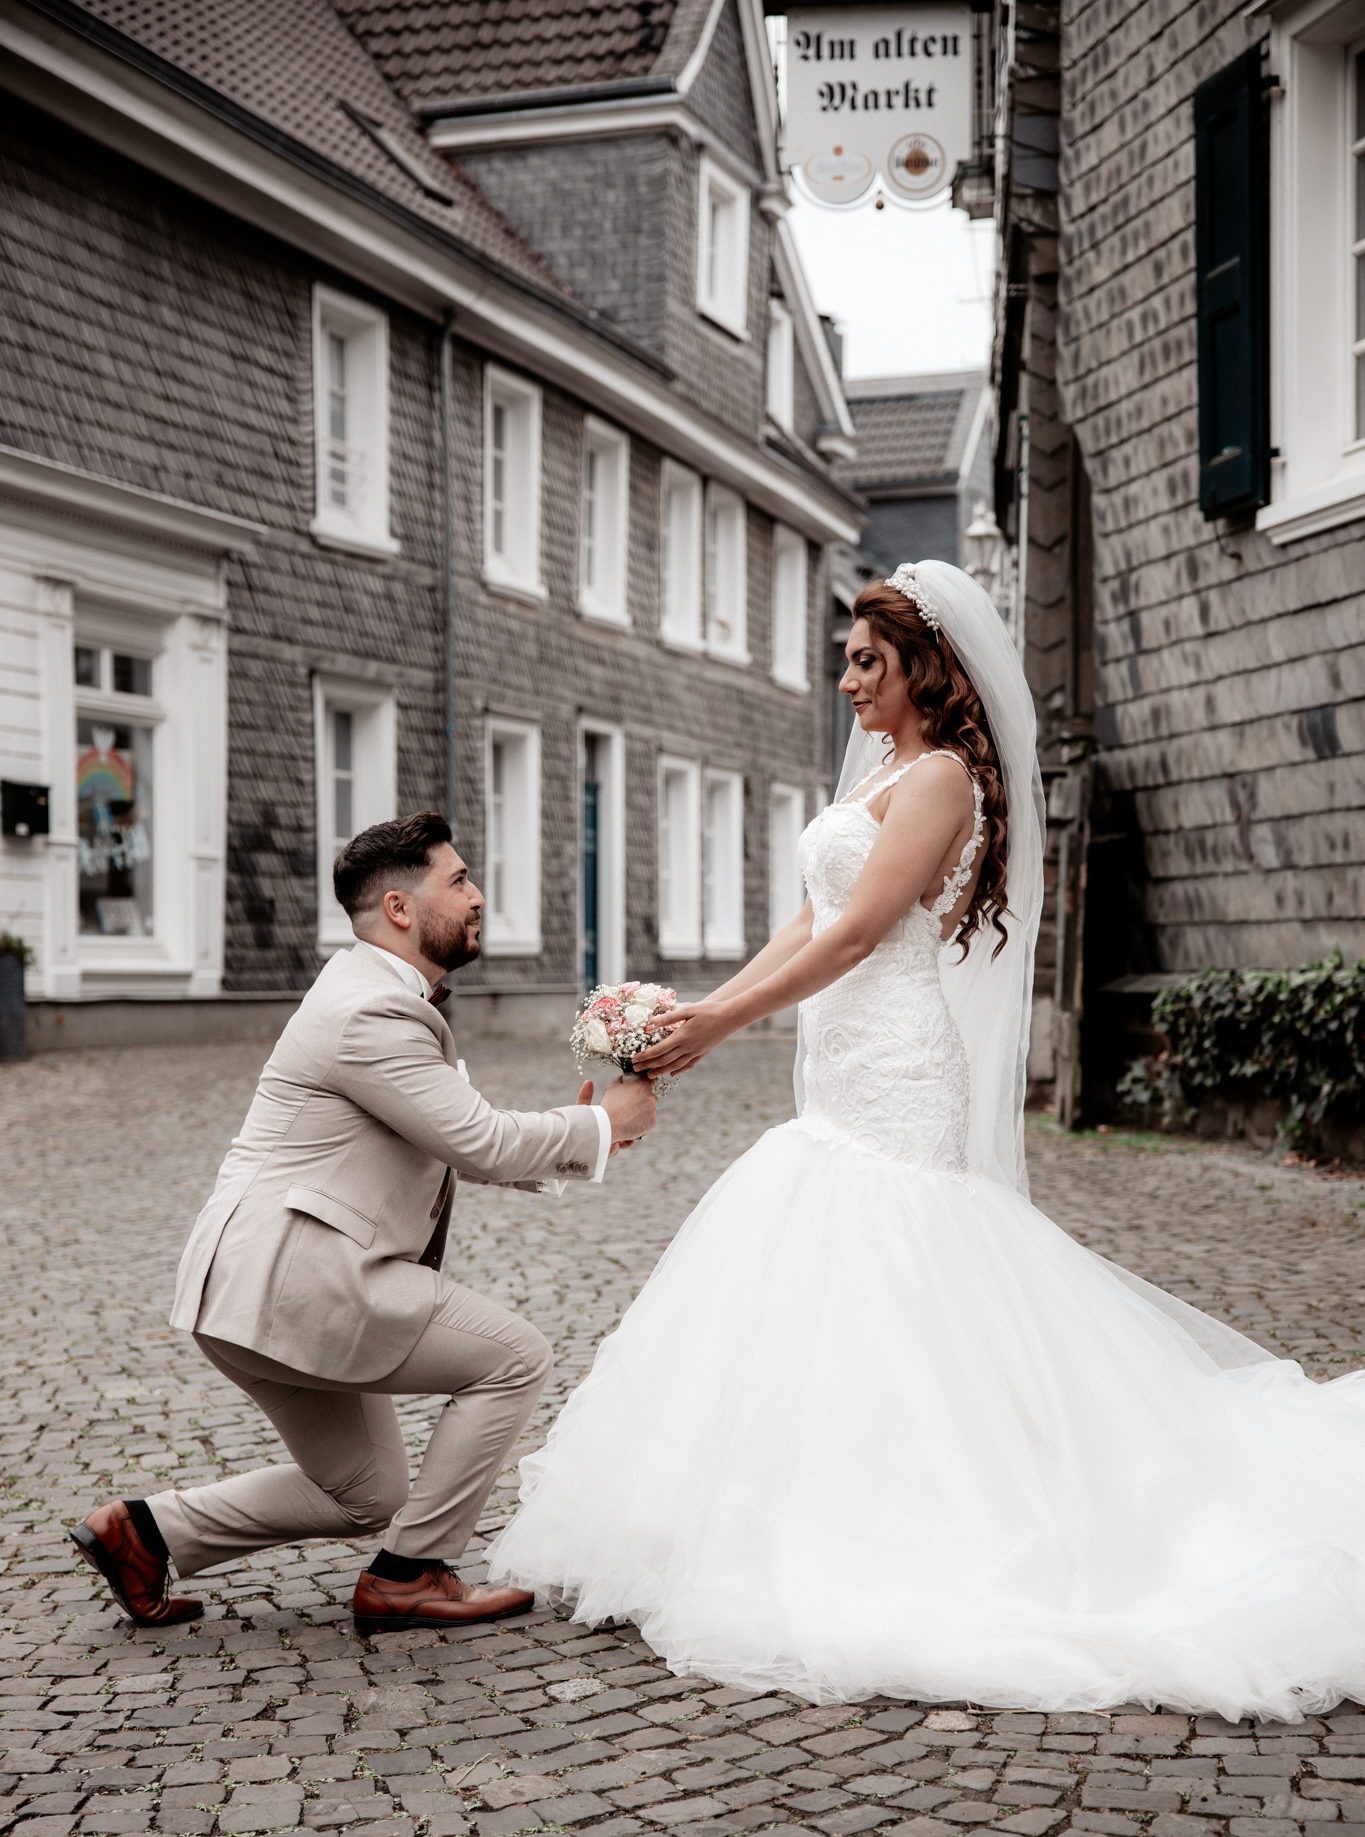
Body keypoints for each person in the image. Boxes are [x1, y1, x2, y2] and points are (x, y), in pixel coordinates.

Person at [488, 561, 1365, 1720]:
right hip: (835, 1072)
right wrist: (694, 1013)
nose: (847, 679)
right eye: (846, 659)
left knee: (902, 1266)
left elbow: (857, 937)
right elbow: (807, 916)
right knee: (803, 1274)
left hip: (900, 1071)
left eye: (867, 660)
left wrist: (722, 1026)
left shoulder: (945, 777)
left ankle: (932, 1521)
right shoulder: (885, 775)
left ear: (925, 669)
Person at [70, 812, 656, 1634]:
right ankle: (411, 1575)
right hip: (296, 1279)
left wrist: (582, 1143)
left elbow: (451, 1134)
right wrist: (599, 1127)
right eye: (457, 881)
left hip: (246, 1290)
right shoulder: (372, 1011)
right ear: (400, 908)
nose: (477, 895)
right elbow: (479, 1140)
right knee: (514, 1357)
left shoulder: (372, 993)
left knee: (364, 1492)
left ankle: (144, 1531)